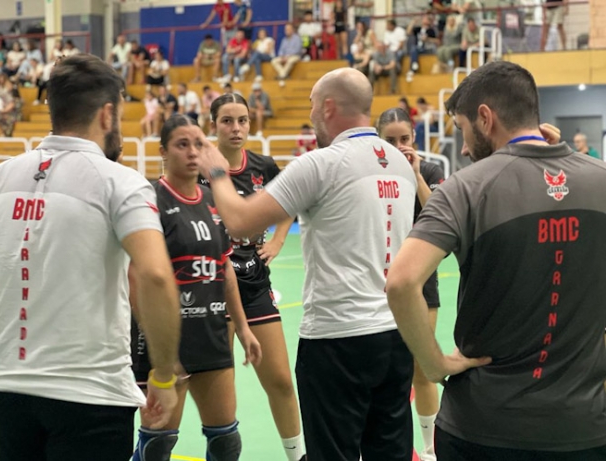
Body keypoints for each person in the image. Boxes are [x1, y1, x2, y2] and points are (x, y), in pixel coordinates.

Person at [386, 60, 606, 461]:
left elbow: (400, 282)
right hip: (585, 426)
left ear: (485, 118)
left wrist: (433, 365)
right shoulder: (599, 178)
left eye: (463, 130)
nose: (465, 147)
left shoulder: (464, 189)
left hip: (481, 428)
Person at [193, 68, 418, 461]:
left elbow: (242, 221)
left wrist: (215, 172)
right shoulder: (400, 163)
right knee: (390, 450)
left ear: (329, 107)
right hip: (396, 336)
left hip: (338, 340)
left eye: (314, 106)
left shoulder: (320, 164)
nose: (312, 114)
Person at [0, 54, 181, 461]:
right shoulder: (121, 183)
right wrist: (163, 375)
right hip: (90, 396)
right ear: (108, 114)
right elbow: (155, 276)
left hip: (2, 393)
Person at [131, 114, 262, 461]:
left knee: (226, 441)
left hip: (212, 333)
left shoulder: (212, 198)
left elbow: (225, 269)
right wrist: (162, 353)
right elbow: (137, 278)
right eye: (182, 144)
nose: (193, 152)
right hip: (166, 339)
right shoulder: (150, 199)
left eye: (199, 144)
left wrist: (245, 328)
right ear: (163, 151)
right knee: (157, 444)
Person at [198, 93, 306, 461]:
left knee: (280, 381)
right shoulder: (198, 169)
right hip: (211, 292)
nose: (236, 128)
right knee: (221, 395)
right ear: (212, 124)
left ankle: (297, 456)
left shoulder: (263, 166)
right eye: (227, 120)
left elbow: (290, 200)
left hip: (256, 287)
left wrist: (277, 239)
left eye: (242, 120)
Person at [376, 107, 445, 461]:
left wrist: (415, 175)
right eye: (390, 140)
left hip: (420, 282)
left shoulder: (431, 171)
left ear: (414, 138)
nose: (399, 146)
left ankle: (431, 450)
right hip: (376, 283)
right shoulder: (370, 174)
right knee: (384, 371)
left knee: (421, 367)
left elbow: (440, 215)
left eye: (404, 139)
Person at [406, 14, 439, 81]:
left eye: (425, 19)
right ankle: (414, 66)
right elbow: (408, 32)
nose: (423, 20)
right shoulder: (418, 29)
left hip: (427, 49)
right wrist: (413, 22)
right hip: (418, 48)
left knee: (414, 49)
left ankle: (412, 69)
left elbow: (437, 41)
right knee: (414, 49)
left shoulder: (431, 30)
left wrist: (427, 39)